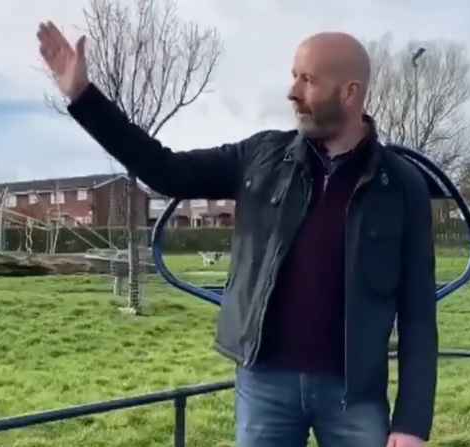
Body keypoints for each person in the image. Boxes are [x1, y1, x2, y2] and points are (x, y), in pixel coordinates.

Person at [37, 21, 437, 447]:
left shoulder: (402, 185)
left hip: (353, 396)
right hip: (265, 385)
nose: (292, 92)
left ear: (350, 93)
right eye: (293, 76)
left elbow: (418, 314)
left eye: (308, 80)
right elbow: (163, 170)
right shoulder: (262, 157)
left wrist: (411, 421)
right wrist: (84, 97)